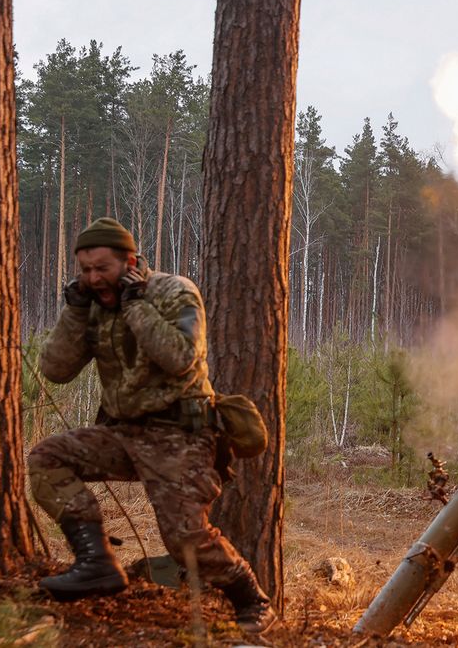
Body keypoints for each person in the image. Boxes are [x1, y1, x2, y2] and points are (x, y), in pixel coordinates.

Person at [27, 217, 276, 633]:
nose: (93, 279)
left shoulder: (173, 291)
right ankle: (96, 563)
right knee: (47, 458)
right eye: (84, 271)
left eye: (101, 269)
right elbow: (55, 370)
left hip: (181, 435)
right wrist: (74, 310)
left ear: (129, 261)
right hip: (124, 433)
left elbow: (181, 358)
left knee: (184, 541)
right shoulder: (91, 305)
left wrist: (135, 304)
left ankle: (252, 598)